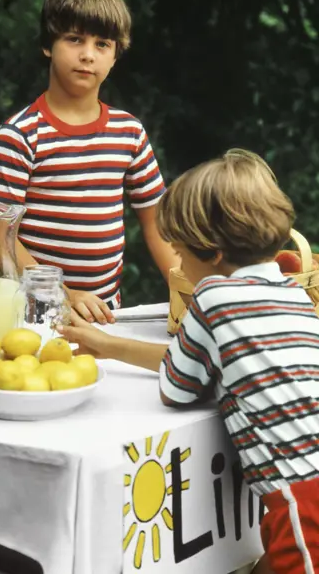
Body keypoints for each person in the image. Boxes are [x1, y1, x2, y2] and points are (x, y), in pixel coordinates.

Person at [60, 149, 319, 574]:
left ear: (213, 253)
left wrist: (115, 349)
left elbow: (177, 387)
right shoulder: (293, 294)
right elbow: (203, 359)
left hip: (301, 495)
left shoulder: (213, 298)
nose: (177, 265)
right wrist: (108, 345)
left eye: (180, 253)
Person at [0, 0, 178, 325]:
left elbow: (158, 223)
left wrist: (187, 292)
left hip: (105, 316)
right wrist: (63, 293)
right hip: (32, 314)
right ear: (48, 45)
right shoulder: (18, 136)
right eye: (74, 39)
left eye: (102, 44)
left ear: (116, 55)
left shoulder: (129, 132)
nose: (88, 55)